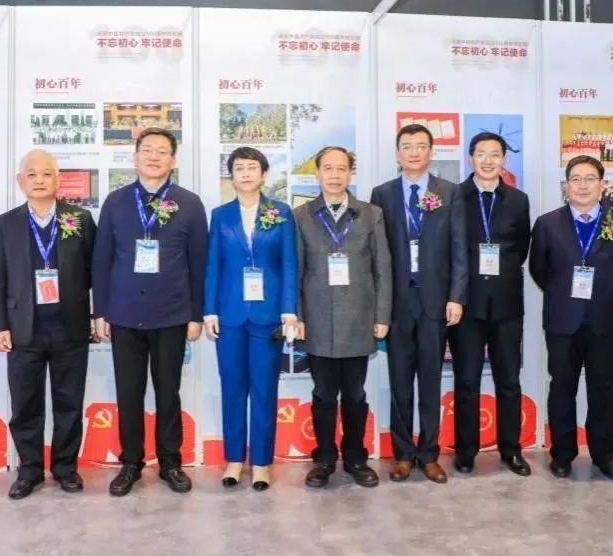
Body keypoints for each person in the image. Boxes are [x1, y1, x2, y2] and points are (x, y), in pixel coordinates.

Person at [92, 127, 207, 496]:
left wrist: (196, 315)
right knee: (129, 393)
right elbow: (102, 260)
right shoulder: (116, 202)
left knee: (168, 392)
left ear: (173, 160)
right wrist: (100, 311)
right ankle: (131, 463)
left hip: (171, 313)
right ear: (135, 157)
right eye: (147, 150)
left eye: (162, 151)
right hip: (124, 313)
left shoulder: (189, 203)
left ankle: (171, 462)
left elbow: (199, 264)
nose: (154, 156)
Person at [0, 149, 97, 500]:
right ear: (20, 181)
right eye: (31, 174)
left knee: (69, 403)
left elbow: (96, 272)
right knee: (25, 405)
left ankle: (65, 468)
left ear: (58, 179)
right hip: (23, 329)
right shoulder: (6, 223)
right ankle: (29, 471)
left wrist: (98, 314)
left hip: (70, 327)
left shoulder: (79, 219)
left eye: (46, 173)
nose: (39, 180)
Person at [529, 155, 613, 481]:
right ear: (566, 186)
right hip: (563, 321)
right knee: (562, 388)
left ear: (602, 185)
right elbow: (539, 270)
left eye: (589, 178)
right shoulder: (547, 224)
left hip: (605, 321)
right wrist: (563, 295)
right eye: (575, 179)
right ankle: (562, 455)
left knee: (603, 389)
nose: (582, 185)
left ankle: (604, 455)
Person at [369, 124, 467, 483]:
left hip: (434, 301)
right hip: (397, 302)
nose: (414, 152)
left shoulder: (449, 192)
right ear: (398, 153)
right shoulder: (382, 194)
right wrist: (379, 305)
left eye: (421, 146)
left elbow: (459, 248)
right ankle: (403, 454)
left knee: (429, 380)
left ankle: (428, 453)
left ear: (431, 152)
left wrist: (456, 297)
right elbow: (377, 255)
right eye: (407, 146)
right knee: (399, 381)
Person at [294, 146, 392, 489]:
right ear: (317, 173)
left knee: (354, 394)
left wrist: (382, 315)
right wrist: (297, 316)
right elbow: (296, 271)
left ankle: (355, 458)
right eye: (328, 168)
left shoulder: (371, 214)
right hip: (317, 319)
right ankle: (323, 459)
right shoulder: (301, 216)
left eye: (341, 169)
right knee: (323, 394)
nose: (334, 175)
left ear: (351, 173)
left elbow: (383, 270)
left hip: (358, 320)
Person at [203, 147, 298, 491]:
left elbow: (289, 264)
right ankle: (233, 460)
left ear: (263, 174)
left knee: (263, 390)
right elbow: (213, 265)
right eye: (239, 168)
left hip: (268, 315)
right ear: (232, 176)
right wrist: (209, 310)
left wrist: (289, 310)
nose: (245, 173)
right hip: (229, 315)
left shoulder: (281, 212)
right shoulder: (220, 215)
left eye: (252, 167)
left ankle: (260, 462)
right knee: (232, 388)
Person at [452, 132, 531, 476]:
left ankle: (510, 450)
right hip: (466, 306)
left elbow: (521, 249)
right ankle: (466, 451)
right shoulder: (454, 197)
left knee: (509, 381)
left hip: (506, 305)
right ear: (470, 158)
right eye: (481, 154)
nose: (488, 161)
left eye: (495, 154)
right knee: (467, 382)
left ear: (504, 160)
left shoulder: (518, 200)